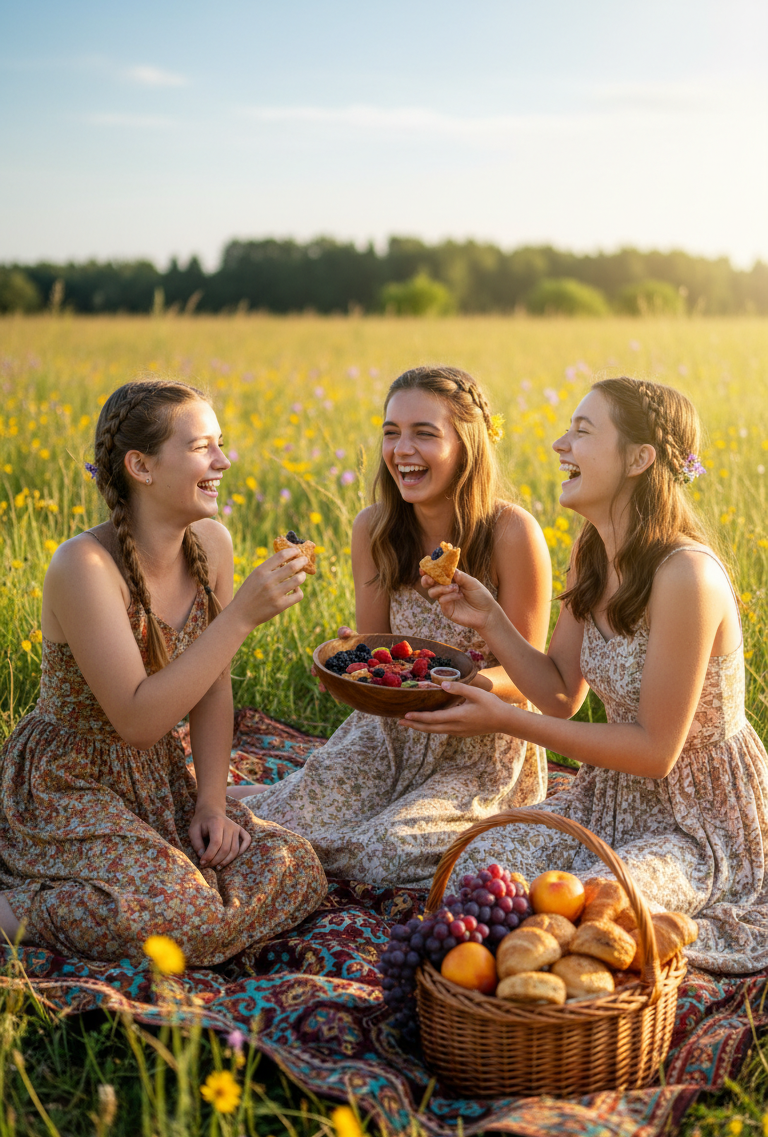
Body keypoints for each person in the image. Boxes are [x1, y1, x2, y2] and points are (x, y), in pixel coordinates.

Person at [402, 376, 768, 974]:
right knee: (479, 868)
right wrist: (491, 622)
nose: (558, 445)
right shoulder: (592, 552)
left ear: (639, 458)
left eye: (582, 431)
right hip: (610, 800)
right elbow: (558, 693)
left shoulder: (686, 577)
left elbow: (655, 751)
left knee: (584, 916)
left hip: (702, 820)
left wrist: (504, 718)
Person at [0, 380, 327, 964]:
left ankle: (127, 889)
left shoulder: (212, 543)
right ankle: (18, 906)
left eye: (220, 445)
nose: (223, 462)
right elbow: (138, 720)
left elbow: (212, 687)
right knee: (188, 917)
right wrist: (242, 617)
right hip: (69, 781)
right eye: (203, 447)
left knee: (297, 864)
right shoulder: (83, 566)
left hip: (158, 777)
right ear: (141, 466)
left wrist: (210, 803)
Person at [237, 365, 552, 887]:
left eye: (424, 433)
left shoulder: (512, 532)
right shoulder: (374, 528)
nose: (401, 449)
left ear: (467, 445)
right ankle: (264, 798)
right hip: (391, 733)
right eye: (391, 432)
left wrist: (464, 684)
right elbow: (378, 651)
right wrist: (352, 664)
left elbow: (530, 679)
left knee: (384, 852)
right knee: (266, 824)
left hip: (477, 742)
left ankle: (309, 803)